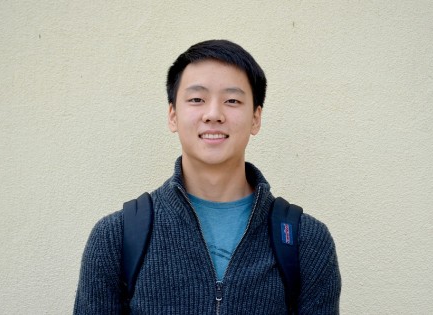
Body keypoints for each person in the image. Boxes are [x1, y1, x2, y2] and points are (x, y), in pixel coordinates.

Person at [74, 39, 341, 314]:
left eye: (232, 100)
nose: (213, 114)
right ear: (173, 115)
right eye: (197, 99)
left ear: (255, 118)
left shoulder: (305, 240)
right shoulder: (116, 236)